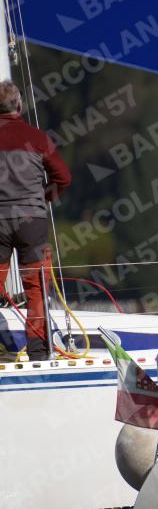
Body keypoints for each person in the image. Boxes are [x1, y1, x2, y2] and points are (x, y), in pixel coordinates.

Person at [0, 81, 71, 360]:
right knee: (36, 288)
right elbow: (63, 177)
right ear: (19, 105)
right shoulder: (37, 138)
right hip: (32, 221)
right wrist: (44, 198)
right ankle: (39, 352)